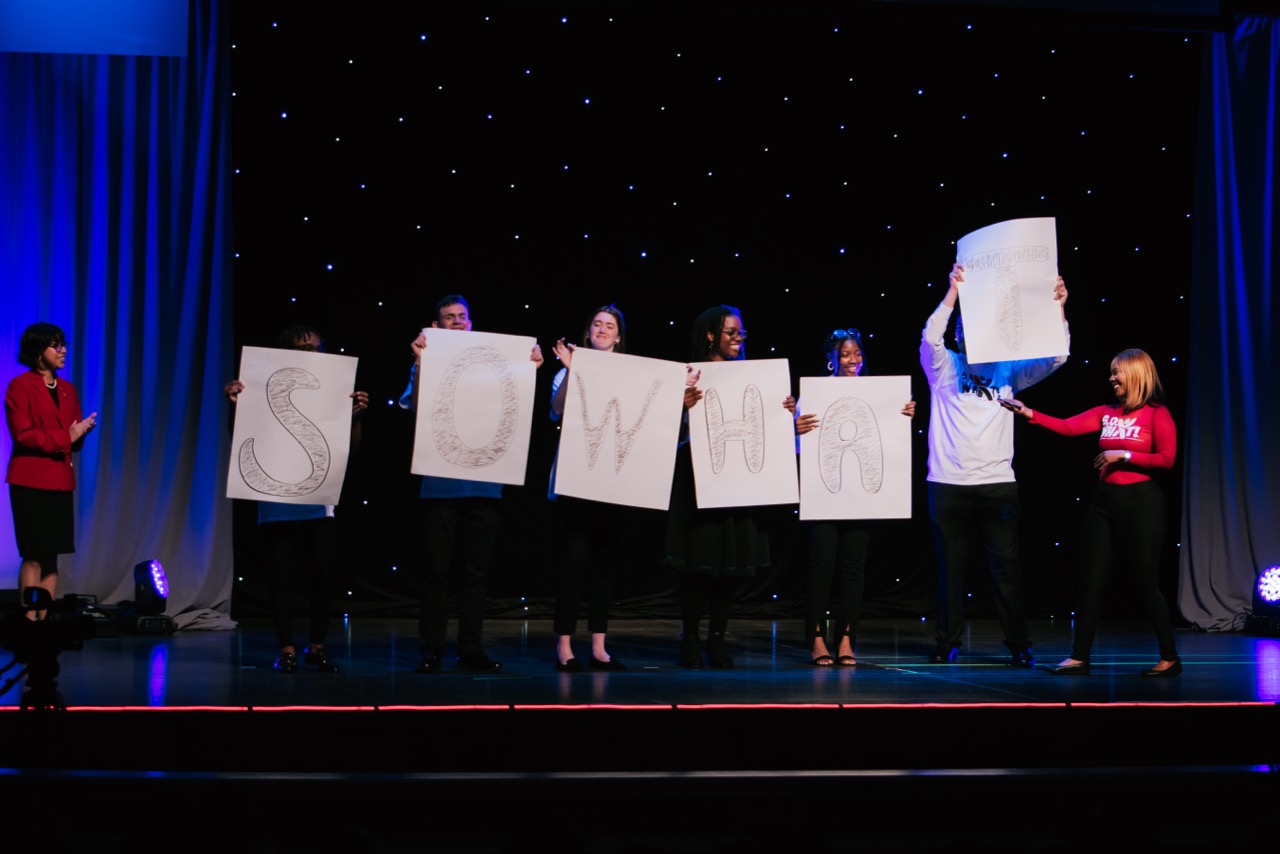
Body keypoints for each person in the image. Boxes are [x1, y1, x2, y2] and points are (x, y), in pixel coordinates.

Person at [922, 262, 1068, 666]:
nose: (971, 334)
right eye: (965, 328)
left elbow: (1056, 357)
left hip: (997, 484)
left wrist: (1058, 307)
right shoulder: (943, 366)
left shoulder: (1009, 370)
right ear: (960, 333)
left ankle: (1019, 645)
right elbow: (930, 335)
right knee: (952, 572)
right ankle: (946, 642)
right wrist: (953, 292)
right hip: (949, 483)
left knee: (1006, 571)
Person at [1002, 348, 1180, 677]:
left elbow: (1166, 459)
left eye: (1117, 372)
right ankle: (1079, 656)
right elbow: (1068, 427)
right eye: (1111, 372)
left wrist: (1123, 454)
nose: (1111, 378)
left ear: (1137, 374)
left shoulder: (1158, 414)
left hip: (1142, 502)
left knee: (1144, 581)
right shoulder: (1106, 411)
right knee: (1091, 581)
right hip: (1104, 501)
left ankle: (1169, 657)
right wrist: (1028, 412)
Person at [399, 294, 544, 674]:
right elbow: (412, 408)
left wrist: (530, 368)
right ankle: (431, 648)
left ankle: (471, 648)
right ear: (436, 326)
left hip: (484, 485)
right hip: (440, 486)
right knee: (436, 572)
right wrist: (419, 362)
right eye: (449, 318)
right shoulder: (429, 363)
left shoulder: (490, 363)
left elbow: (517, 399)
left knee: (475, 575)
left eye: (462, 316)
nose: (458, 322)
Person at [224, 325, 369, 673]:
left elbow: (349, 450)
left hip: (319, 499)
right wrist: (237, 405)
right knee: (282, 576)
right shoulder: (267, 385)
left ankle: (316, 646)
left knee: (322, 574)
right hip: (277, 499)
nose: (311, 354)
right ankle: (286, 648)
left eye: (316, 348)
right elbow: (243, 435)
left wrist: (356, 416)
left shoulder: (332, 389)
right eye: (303, 348)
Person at [665, 305, 794, 668]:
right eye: (731, 332)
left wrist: (784, 411)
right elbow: (663, 432)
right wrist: (682, 406)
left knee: (731, 567)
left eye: (741, 333)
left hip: (741, 485)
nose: (738, 339)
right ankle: (689, 637)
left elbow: (769, 431)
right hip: (701, 482)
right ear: (711, 335)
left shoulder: (755, 377)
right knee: (698, 565)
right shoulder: (692, 375)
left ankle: (716, 638)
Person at [794, 328, 915, 666]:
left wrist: (903, 415)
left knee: (853, 567)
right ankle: (817, 639)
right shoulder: (815, 395)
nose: (853, 361)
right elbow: (799, 447)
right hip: (824, 495)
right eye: (845, 354)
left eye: (857, 354)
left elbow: (891, 438)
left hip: (861, 497)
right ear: (831, 358)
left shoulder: (878, 395)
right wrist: (796, 429)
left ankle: (847, 638)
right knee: (821, 566)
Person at [547, 305, 629, 672]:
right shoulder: (571, 366)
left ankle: (599, 645)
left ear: (618, 336)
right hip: (577, 480)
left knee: (605, 565)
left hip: (613, 481)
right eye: (596, 324)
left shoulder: (632, 373)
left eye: (609, 325)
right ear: (588, 331)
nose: (602, 329)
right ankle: (564, 645)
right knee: (574, 562)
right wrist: (570, 369)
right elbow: (557, 409)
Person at [5, 322, 97, 621]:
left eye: (63, 344)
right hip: (30, 480)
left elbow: (71, 443)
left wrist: (80, 433)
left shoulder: (68, 390)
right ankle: (27, 623)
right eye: (55, 345)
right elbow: (23, 435)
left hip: (59, 480)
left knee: (52, 556)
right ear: (36, 350)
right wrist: (66, 437)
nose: (63, 350)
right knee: (33, 554)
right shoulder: (20, 386)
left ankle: (43, 625)